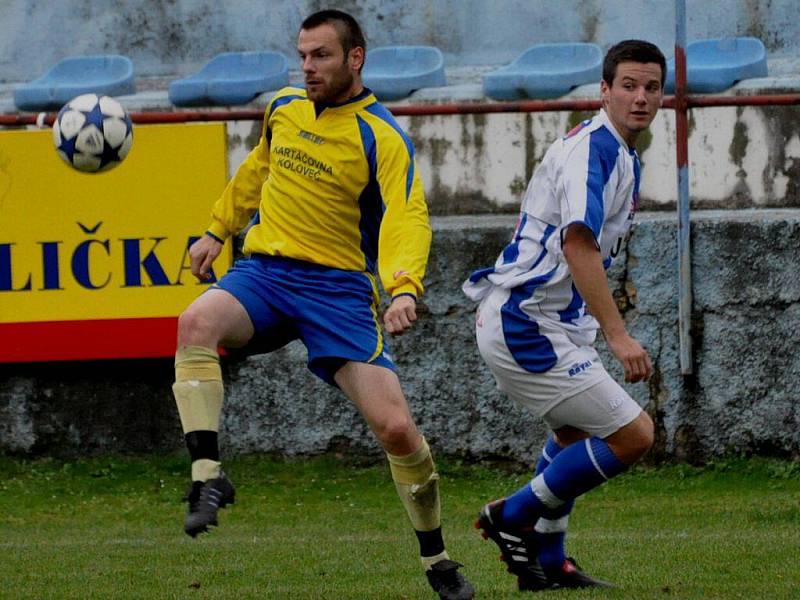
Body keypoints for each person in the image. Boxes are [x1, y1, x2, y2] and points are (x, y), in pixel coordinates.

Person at [170, 9, 474, 600]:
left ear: (355, 58)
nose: (307, 68)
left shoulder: (381, 135)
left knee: (396, 429)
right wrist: (215, 230)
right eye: (303, 55)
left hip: (337, 292)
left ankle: (437, 559)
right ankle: (208, 476)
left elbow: (407, 215)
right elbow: (256, 172)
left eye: (321, 56)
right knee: (195, 322)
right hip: (265, 272)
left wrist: (404, 286)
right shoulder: (283, 108)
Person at [463, 39, 666, 591]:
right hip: (524, 321)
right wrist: (618, 334)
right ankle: (508, 516)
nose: (640, 97)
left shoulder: (622, 153)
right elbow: (579, 243)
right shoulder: (590, 149)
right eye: (628, 85)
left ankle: (548, 566)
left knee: (576, 438)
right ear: (604, 91)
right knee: (634, 436)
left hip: (548, 321)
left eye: (652, 87)